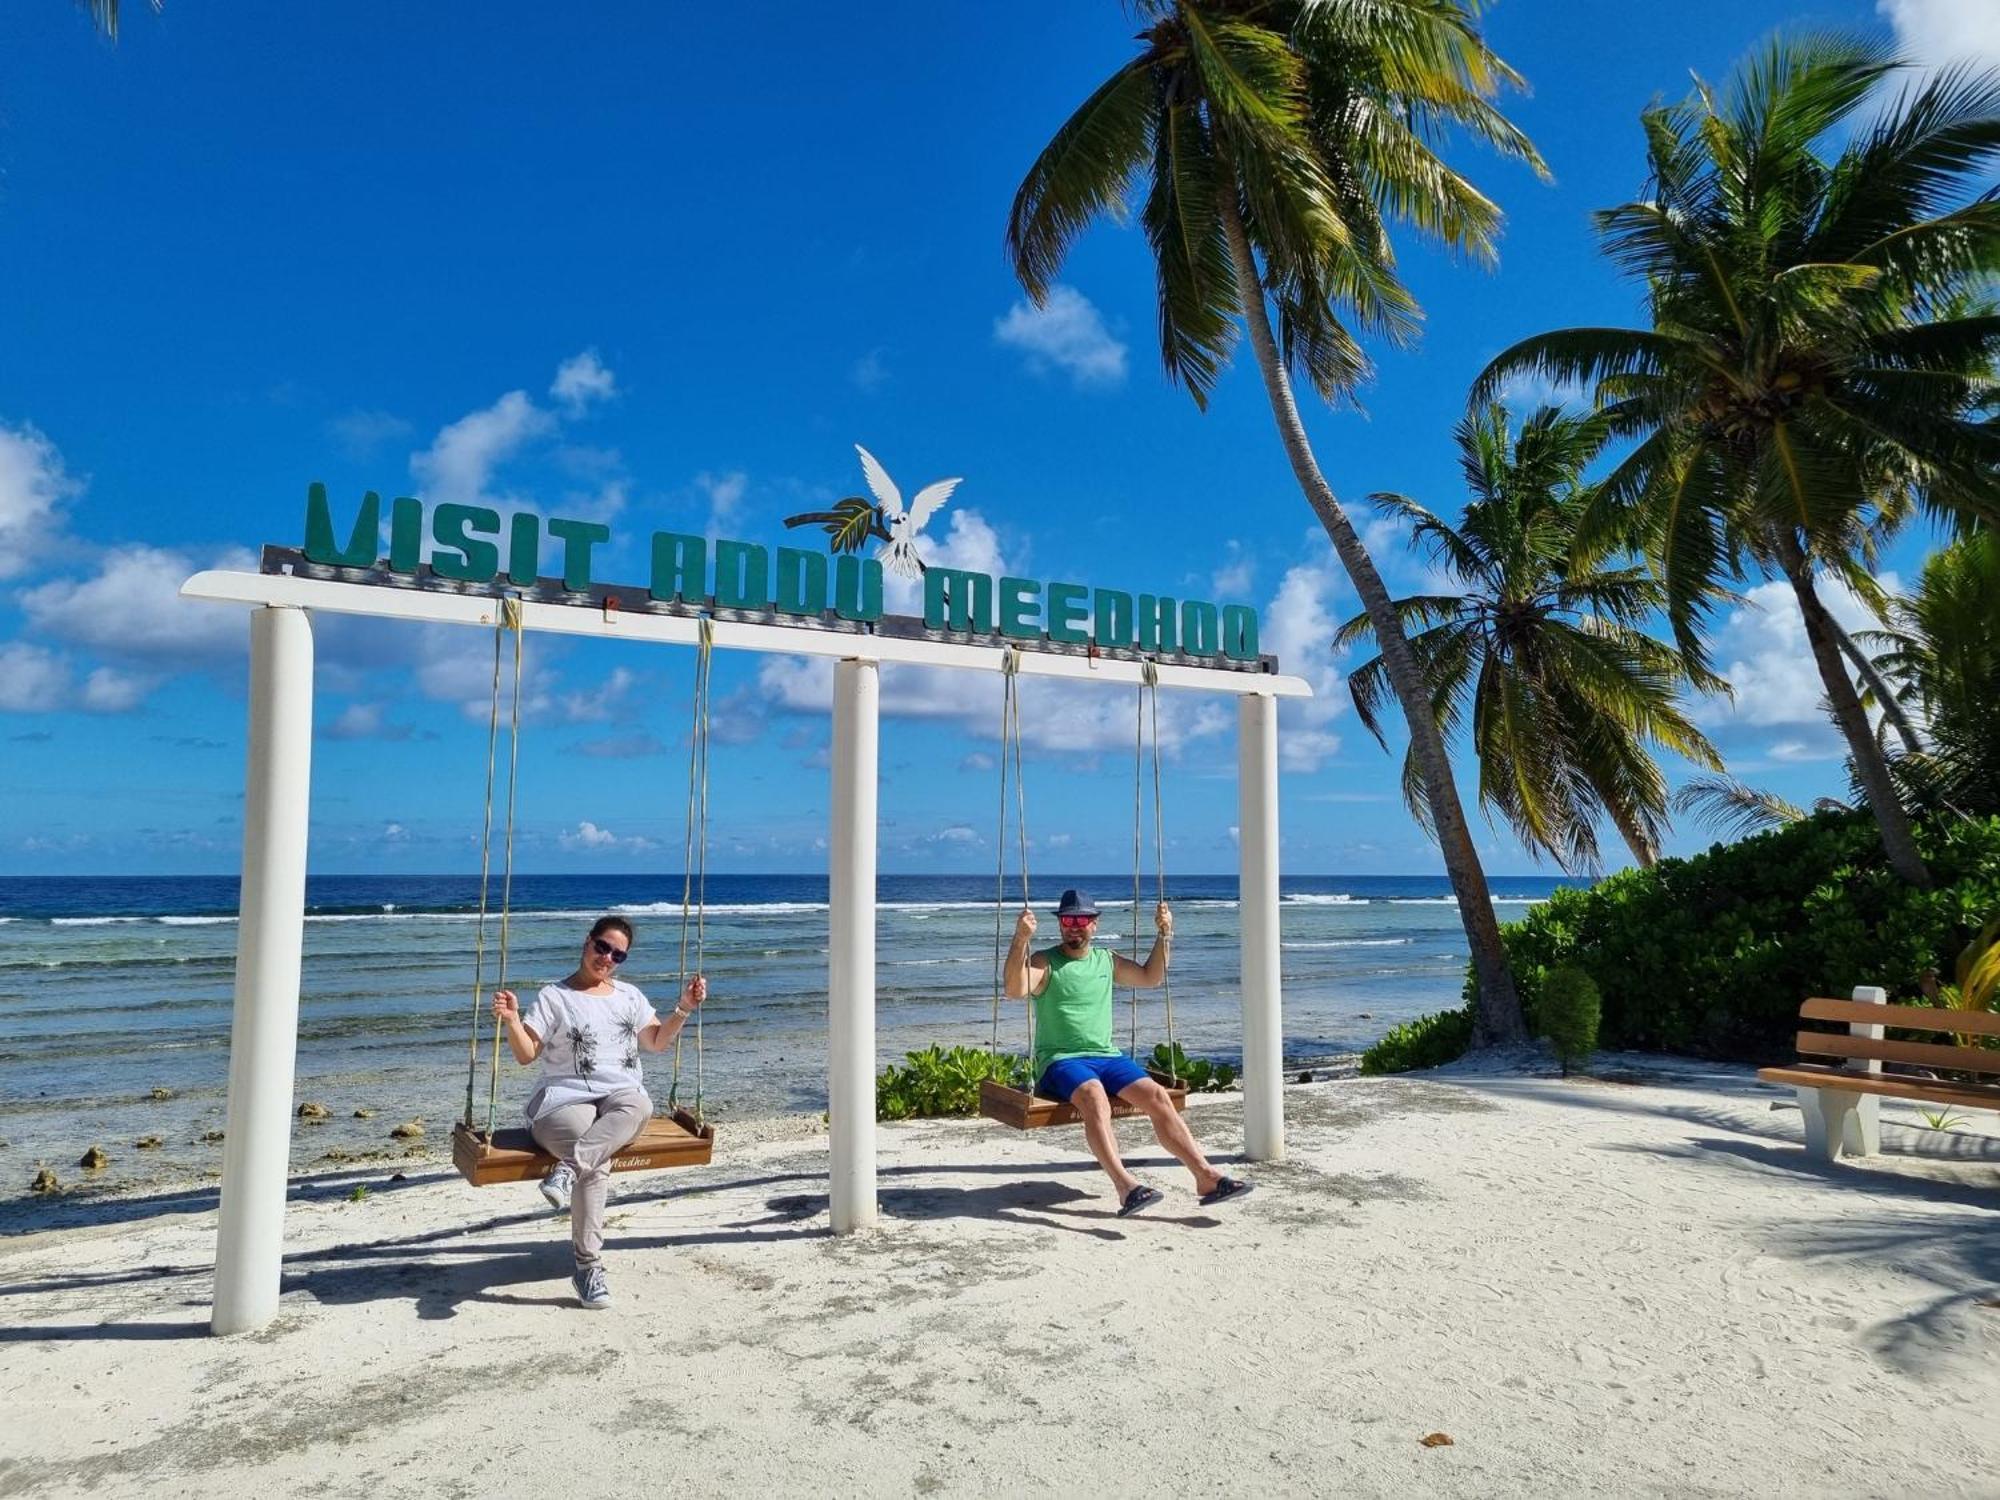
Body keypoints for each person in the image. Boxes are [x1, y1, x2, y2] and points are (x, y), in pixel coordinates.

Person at [492, 915, 704, 1310]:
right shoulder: (554, 996)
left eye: (617, 954)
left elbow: (656, 1042)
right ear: (587, 942)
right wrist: (510, 1021)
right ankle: (588, 1266)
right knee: (596, 1158)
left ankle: (567, 1170)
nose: (607, 958)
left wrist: (684, 1008)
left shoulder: (629, 997)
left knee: (639, 1103)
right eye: (602, 947)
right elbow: (526, 1055)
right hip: (560, 1102)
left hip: (618, 1100)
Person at [1004, 888, 1251, 1217]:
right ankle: (1126, 1187)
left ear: (1095, 924)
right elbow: (1014, 989)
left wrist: (1165, 935)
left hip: (1107, 1057)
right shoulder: (1045, 962)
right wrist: (1021, 939)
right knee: (1094, 1097)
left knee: (1159, 1096)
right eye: (1067, 919)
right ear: (1060, 924)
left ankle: (1206, 1177)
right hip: (1061, 1061)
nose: (1074, 926)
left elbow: (1151, 978)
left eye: (1082, 919)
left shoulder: (1106, 960)